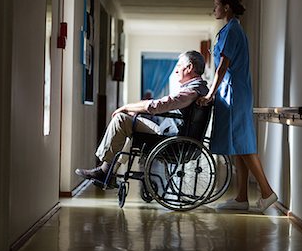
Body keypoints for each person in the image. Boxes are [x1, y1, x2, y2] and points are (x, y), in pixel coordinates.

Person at [75, 50, 209, 186]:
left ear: (190, 67)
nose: (176, 71)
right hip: (171, 134)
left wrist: (127, 107)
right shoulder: (199, 89)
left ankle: (105, 171)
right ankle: (109, 172)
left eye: (179, 66)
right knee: (128, 121)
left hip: (170, 138)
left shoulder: (191, 91)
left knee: (121, 119)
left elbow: (158, 105)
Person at [197, 0, 278, 212]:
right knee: (239, 144)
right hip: (234, 93)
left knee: (243, 145)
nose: (214, 9)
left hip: (232, 93)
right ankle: (242, 198)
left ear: (227, 7)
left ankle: (267, 192)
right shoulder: (231, 30)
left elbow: (223, 65)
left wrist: (210, 94)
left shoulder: (232, 30)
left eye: (216, 5)